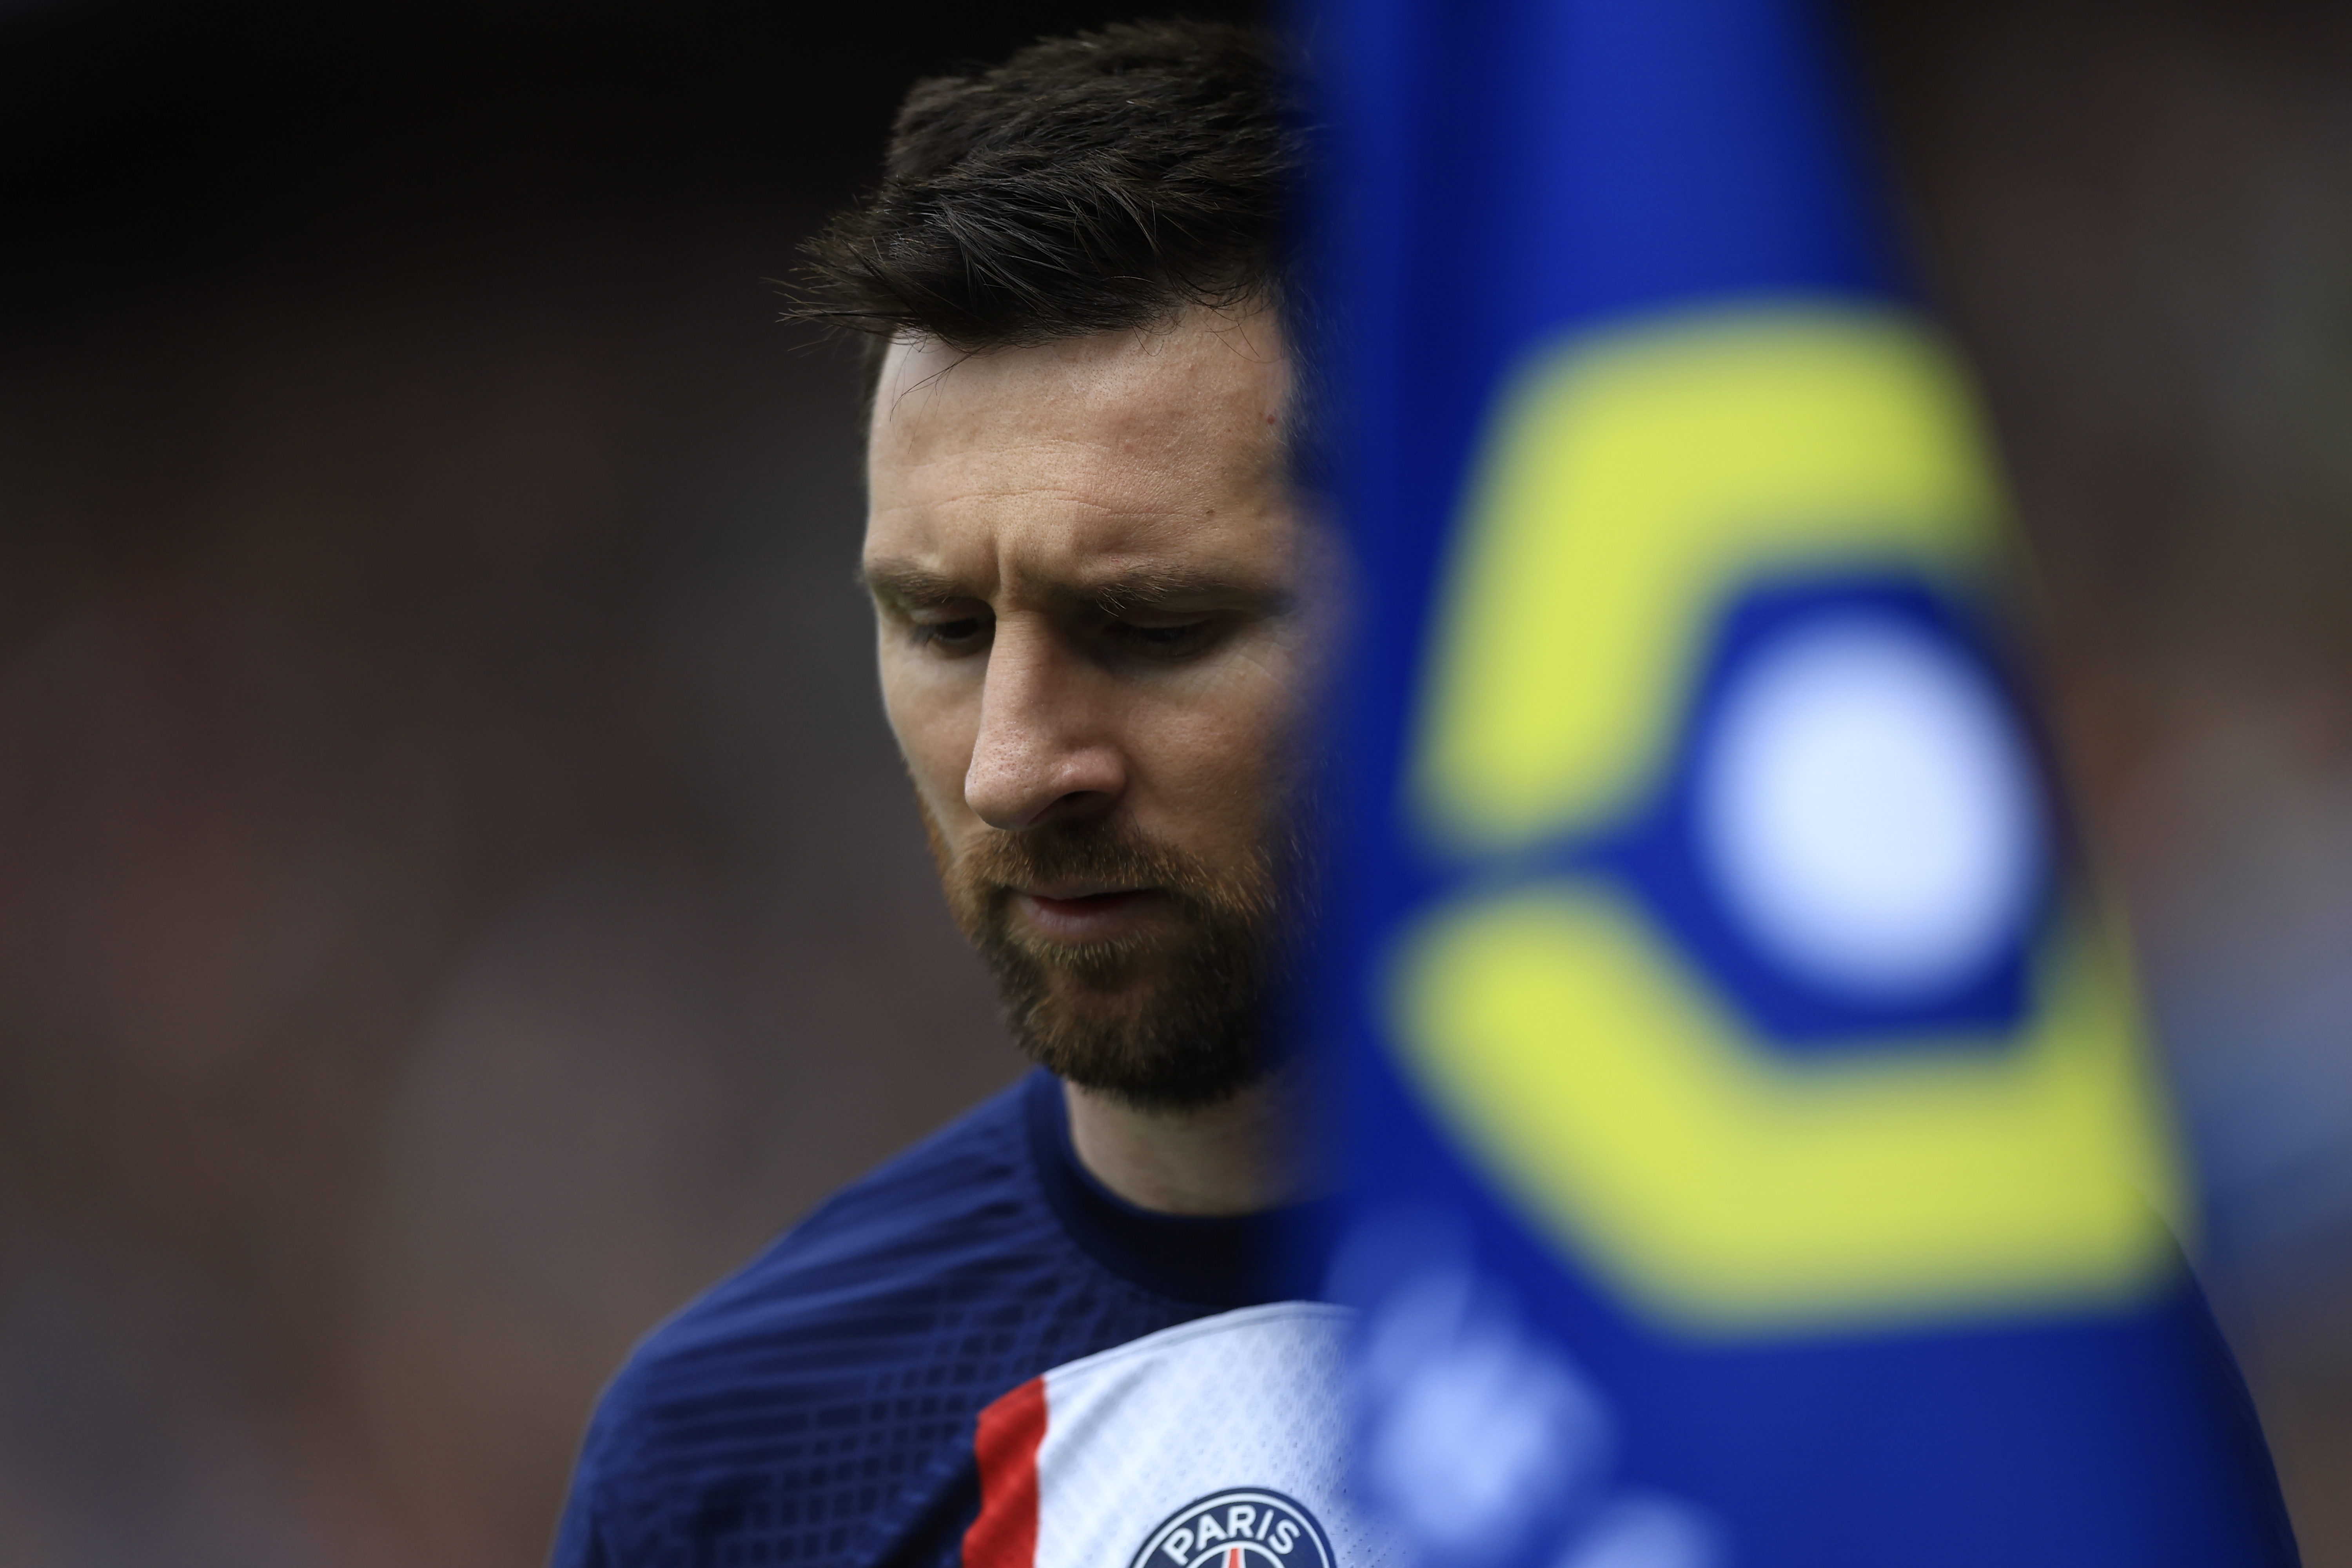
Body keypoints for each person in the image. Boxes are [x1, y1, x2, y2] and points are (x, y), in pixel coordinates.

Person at [550, 21, 1379, 1568]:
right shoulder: (740, 1461)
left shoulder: (1827, 1290)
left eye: (1156, 627)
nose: (1009, 766)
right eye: (940, 627)